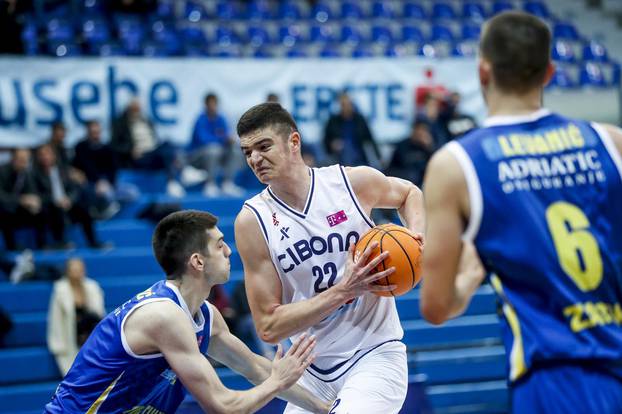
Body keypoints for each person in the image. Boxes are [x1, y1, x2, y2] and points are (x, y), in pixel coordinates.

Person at [420, 11, 622, 413]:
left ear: (482, 73)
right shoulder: (611, 142)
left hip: (554, 379)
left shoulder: (457, 165)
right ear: (549, 72)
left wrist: (471, 275)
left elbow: (436, 306)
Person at [235, 103, 425, 413]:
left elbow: (409, 194)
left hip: (374, 354)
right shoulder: (252, 221)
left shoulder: (351, 183)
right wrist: (344, 291)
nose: (255, 159)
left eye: (263, 146)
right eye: (247, 152)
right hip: (308, 371)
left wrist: (417, 239)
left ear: (293, 142)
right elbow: (268, 326)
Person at [45, 210, 329, 413]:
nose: (229, 252)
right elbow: (223, 406)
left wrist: (324, 408)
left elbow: (254, 368)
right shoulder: (163, 316)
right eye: (220, 246)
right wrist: (278, 382)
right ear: (197, 262)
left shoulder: (205, 314)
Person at [111, 98, 186, 197]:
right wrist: (130, 150)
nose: (136, 112)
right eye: (134, 109)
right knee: (167, 150)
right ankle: (175, 179)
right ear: (128, 109)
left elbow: (155, 140)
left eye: (138, 109)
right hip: (139, 157)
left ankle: (180, 174)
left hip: (153, 153)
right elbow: (115, 145)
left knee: (168, 143)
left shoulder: (147, 121)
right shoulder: (120, 124)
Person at [34, 144, 104, 249]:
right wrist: (55, 200)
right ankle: (60, 242)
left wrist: (69, 199)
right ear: (38, 157)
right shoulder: (35, 174)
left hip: (67, 203)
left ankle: (93, 242)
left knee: (83, 210)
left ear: (54, 156)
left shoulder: (64, 170)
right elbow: (36, 194)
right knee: (54, 209)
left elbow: (74, 189)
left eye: (48, 154)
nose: (45, 157)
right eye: (42, 154)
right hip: (49, 206)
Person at [47, 258, 105, 376]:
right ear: (67, 272)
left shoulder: (92, 286)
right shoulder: (60, 289)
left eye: (80, 270)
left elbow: (99, 313)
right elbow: (56, 318)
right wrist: (58, 343)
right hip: (70, 333)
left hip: (89, 332)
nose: (77, 273)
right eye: (74, 270)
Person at [188, 93, 245, 197]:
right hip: (198, 156)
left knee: (235, 151)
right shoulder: (200, 120)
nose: (213, 106)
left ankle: (227, 183)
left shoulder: (221, 118)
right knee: (213, 150)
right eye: (211, 104)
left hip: (219, 152)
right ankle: (210, 184)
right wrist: (223, 139)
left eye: (215, 104)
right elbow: (204, 140)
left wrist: (229, 140)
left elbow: (227, 134)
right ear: (206, 105)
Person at [0, 148, 46, 250]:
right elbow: (1, 196)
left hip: (19, 208)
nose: (23, 163)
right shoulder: (2, 171)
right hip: (4, 208)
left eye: (26, 160)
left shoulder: (26, 173)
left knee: (40, 210)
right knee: (6, 212)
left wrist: (35, 202)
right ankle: (11, 247)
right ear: (13, 159)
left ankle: (42, 245)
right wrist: (20, 200)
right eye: (20, 160)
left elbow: (32, 191)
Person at [323, 92, 381, 168]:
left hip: (359, 156)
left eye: (349, 104)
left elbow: (370, 139)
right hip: (339, 158)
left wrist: (378, 156)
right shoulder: (333, 121)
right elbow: (326, 141)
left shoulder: (359, 120)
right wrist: (333, 145)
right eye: (344, 105)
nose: (346, 107)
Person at [386, 118, 436, 187]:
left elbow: (435, 165)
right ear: (414, 129)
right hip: (404, 182)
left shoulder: (428, 146)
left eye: (424, 130)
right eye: (419, 129)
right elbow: (390, 169)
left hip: (423, 182)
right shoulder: (402, 145)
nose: (421, 132)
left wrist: (429, 147)